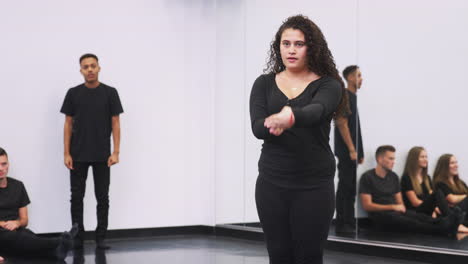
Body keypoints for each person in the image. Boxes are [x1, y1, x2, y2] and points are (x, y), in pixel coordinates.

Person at [250, 15, 348, 264]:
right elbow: (257, 126)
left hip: (313, 184)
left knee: (308, 257)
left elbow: (318, 110)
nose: (291, 50)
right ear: (278, 47)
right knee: (279, 255)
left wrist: (290, 117)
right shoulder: (263, 84)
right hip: (272, 182)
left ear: (311, 48)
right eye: (286, 43)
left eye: (299, 44)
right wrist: (272, 123)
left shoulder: (329, 84)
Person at [60, 53, 124, 249]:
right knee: (76, 197)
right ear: (81, 70)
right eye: (85, 67)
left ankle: (101, 237)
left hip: (102, 155)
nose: (89, 70)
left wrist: (116, 152)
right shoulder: (73, 93)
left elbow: (116, 123)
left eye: (93, 66)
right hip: (78, 154)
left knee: (102, 197)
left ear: (99, 68)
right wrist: (66, 153)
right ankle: (77, 238)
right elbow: (68, 124)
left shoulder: (110, 93)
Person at [359, 145, 463, 236]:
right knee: (411, 222)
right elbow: (367, 206)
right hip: (381, 216)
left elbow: (400, 203)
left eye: (394, 159)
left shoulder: (394, 177)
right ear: (380, 159)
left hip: (396, 212)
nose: (393, 162)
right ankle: (443, 228)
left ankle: (449, 222)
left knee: (420, 217)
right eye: (390, 159)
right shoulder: (367, 177)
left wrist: (400, 208)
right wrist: (392, 207)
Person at [0, 147, 77, 260]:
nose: (0, 168)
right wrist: (4, 224)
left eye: (3, 164)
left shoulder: (18, 186)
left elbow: (24, 220)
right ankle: (60, 241)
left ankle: (57, 253)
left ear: (8, 165)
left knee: (28, 236)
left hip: (16, 232)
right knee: (10, 236)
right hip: (2, 232)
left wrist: (17, 223)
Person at [334, 65, 364, 233]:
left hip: (352, 151)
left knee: (350, 187)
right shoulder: (345, 95)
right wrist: (352, 150)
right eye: (359, 75)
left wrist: (360, 152)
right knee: (345, 186)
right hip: (346, 151)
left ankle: (349, 222)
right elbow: (341, 122)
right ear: (350, 78)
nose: (361, 79)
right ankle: (342, 224)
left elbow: (355, 127)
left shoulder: (353, 97)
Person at [434, 154, 468, 227]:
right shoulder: (440, 183)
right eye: (452, 163)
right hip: (452, 214)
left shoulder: (461, 183)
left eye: (456, 162)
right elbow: (452, 199)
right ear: (444, 166)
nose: (456, 165)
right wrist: (465, 197)